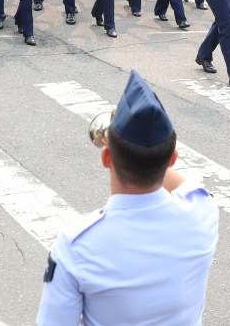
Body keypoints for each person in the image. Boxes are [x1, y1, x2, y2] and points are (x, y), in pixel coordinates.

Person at [36, 70, 219, 326]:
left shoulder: (76, 246)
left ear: (106, 157)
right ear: (173, 160)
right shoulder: (203, 211)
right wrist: (151, 149)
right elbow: (183, 182)